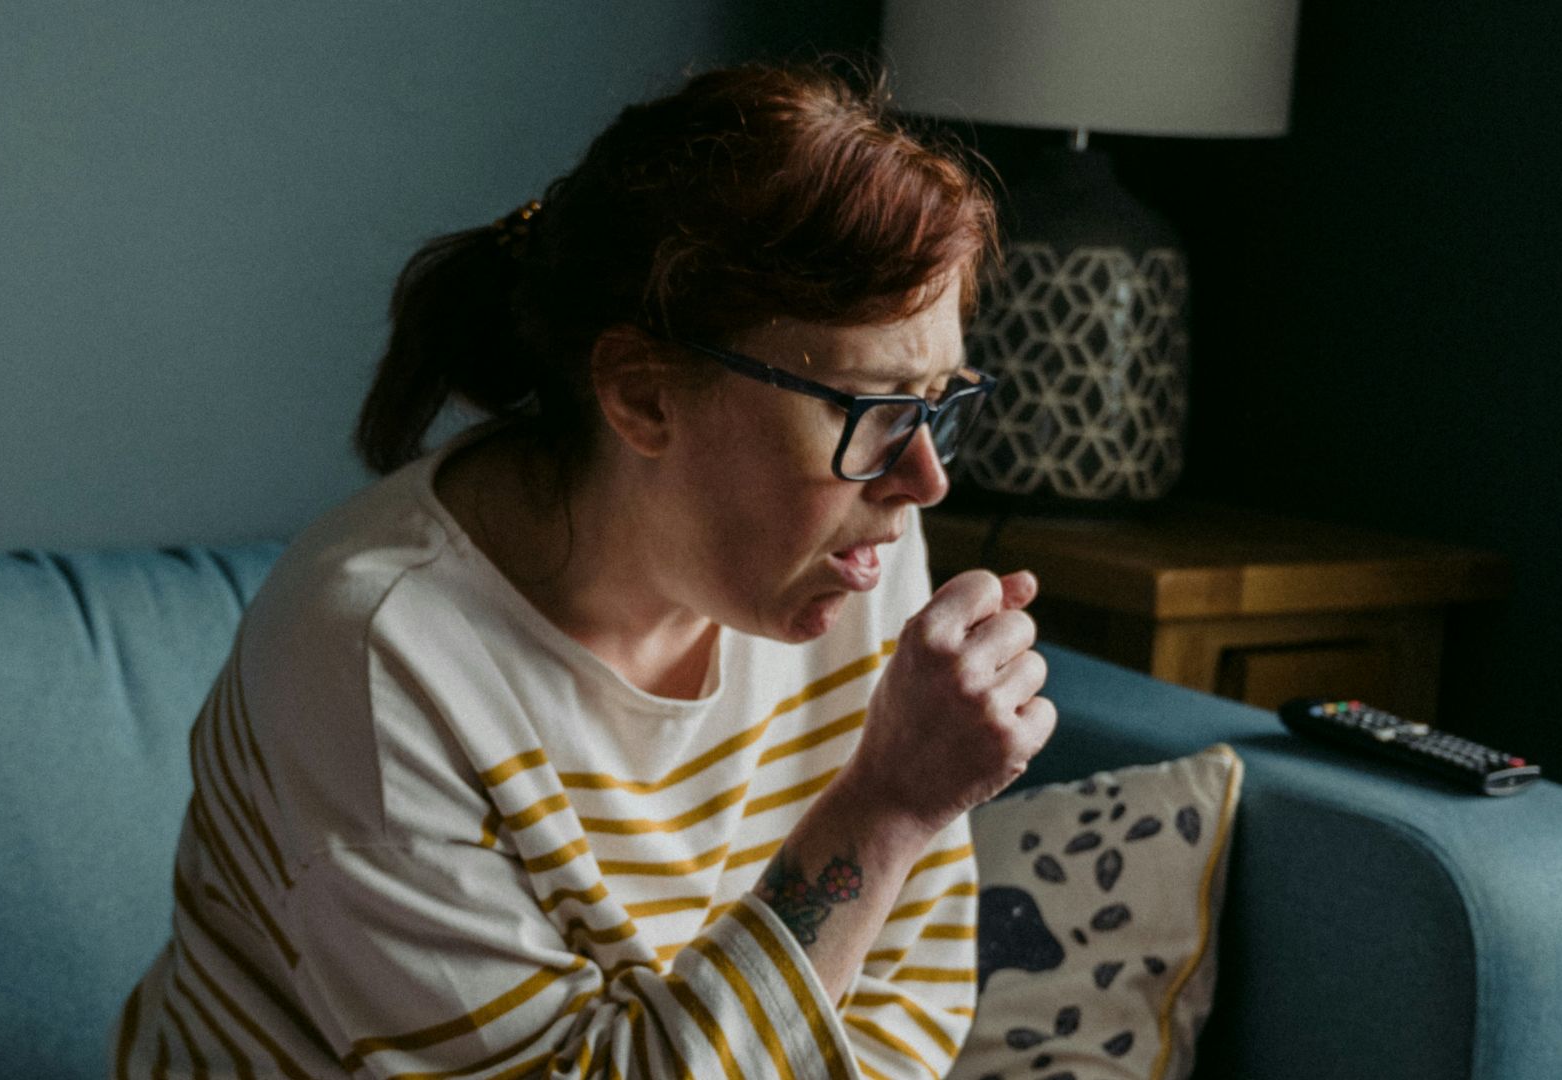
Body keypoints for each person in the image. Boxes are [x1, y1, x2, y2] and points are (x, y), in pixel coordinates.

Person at [111, 61, 1055, 1079]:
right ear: (644, 395)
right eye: (870, 409)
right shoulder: (378, 660)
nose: (923, 479)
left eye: (938, 402)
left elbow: (902, 1001)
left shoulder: (858, 546)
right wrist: (885, 809)